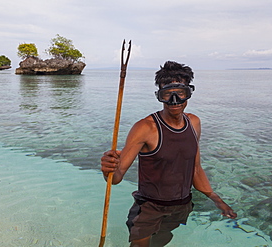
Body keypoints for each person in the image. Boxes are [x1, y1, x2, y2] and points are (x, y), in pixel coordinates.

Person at [100, 61, 237, 247]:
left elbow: (195, 169)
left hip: (181, 207)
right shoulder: (145, 128)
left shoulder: (194, 123)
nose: (174, 100)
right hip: (149, 208)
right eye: (167, 94)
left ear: (188, 93)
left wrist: (216, 199)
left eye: (180, 93)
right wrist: (108, 168)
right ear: (159, 95)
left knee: (162, 240)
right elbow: (115, 178)